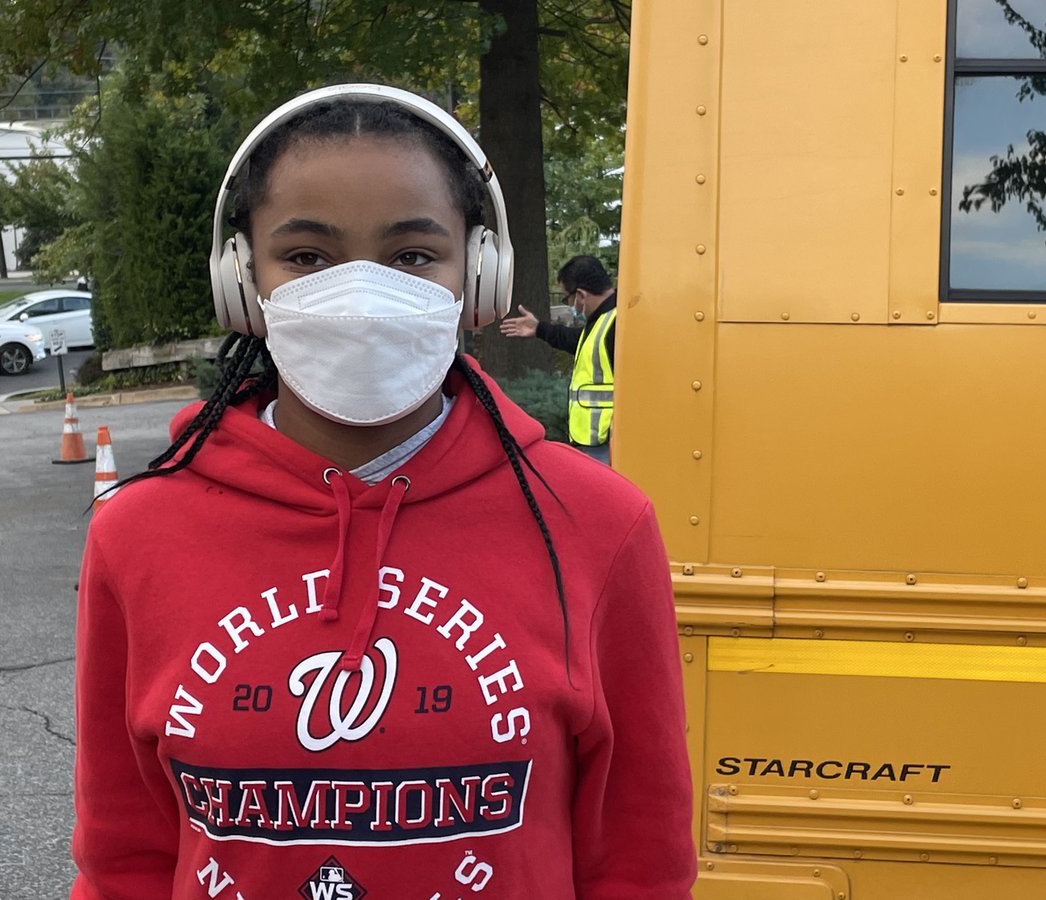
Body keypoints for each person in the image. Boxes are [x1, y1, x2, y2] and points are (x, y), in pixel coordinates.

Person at [71, 84, 695, 899]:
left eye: (411, 256)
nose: (361, 300)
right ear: (242, 282)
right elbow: (124, 860)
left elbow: (640, 862)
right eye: (306, 257)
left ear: (479, 276)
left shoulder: (599, 524)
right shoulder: (138, 533)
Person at [499, 255, 617, 464]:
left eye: (566, 299)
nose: (570, 306)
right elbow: (576, 340)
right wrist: (539, 329)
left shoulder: (616, 323)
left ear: (580, 295)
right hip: (599, 441)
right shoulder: (604, 320)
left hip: (607, 443)